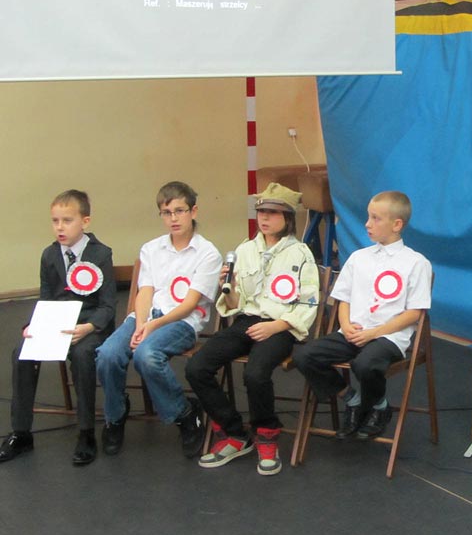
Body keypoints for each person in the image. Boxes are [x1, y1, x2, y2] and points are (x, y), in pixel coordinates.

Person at [186, 183, 319, 475]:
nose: (265, 218)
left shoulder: (301, 253)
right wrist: (230, 286)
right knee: (197, 367)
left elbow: (308, 303)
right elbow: (235, 304)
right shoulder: (245, 250)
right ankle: (234, 433)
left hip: (281, 326)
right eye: (261, 212)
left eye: (273, 212)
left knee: (255, 373)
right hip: (247, 320)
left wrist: (276, 326)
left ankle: (266, 434)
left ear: (287, 217)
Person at [96, 181, 221, 458]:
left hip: (183, 322)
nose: (173, 218)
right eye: (166, 212)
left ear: (193, 211)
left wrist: (152, 327)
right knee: (107, 354)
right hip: (146, 317)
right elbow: (145, 292)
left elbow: (190, 304)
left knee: (147, 355)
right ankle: (115, 415)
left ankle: (184, 414)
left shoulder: (208, 253)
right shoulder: (151, 249)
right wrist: (141, 323)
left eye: (179, 211)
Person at [294, 190, 432, 441]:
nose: (367, 224)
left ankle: (378, 406)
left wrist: (375, 333)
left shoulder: (416, 263)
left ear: (397, 224)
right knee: (305, 355)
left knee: (365, 364)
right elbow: (343, 298)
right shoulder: (359, 258)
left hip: (388, 336)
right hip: (353, 332)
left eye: (376, 218)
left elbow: (414, 312)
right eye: (368, 217)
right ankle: (352, 399)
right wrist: (345, 325)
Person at [0, 190, 116, 466]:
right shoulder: (49, 255)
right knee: (22, 352)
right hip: (57, 323)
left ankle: (86, 433)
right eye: (55, 221)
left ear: (85, 221)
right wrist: (34, 325)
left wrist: (89, 327)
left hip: (90, 325)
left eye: (67, 220)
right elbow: (46, 299)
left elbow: (108, 305)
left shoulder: (101, 254)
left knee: (82, 355)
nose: (60, 227)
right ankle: (21, 432)